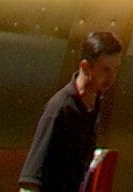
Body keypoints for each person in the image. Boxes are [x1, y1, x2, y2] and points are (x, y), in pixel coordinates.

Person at [20, 28, 123, 192]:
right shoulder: (61, 108)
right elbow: (30, 180)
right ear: (86, 67)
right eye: (105, 70)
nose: (111, 78)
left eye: (115, 69)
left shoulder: (93, 104)